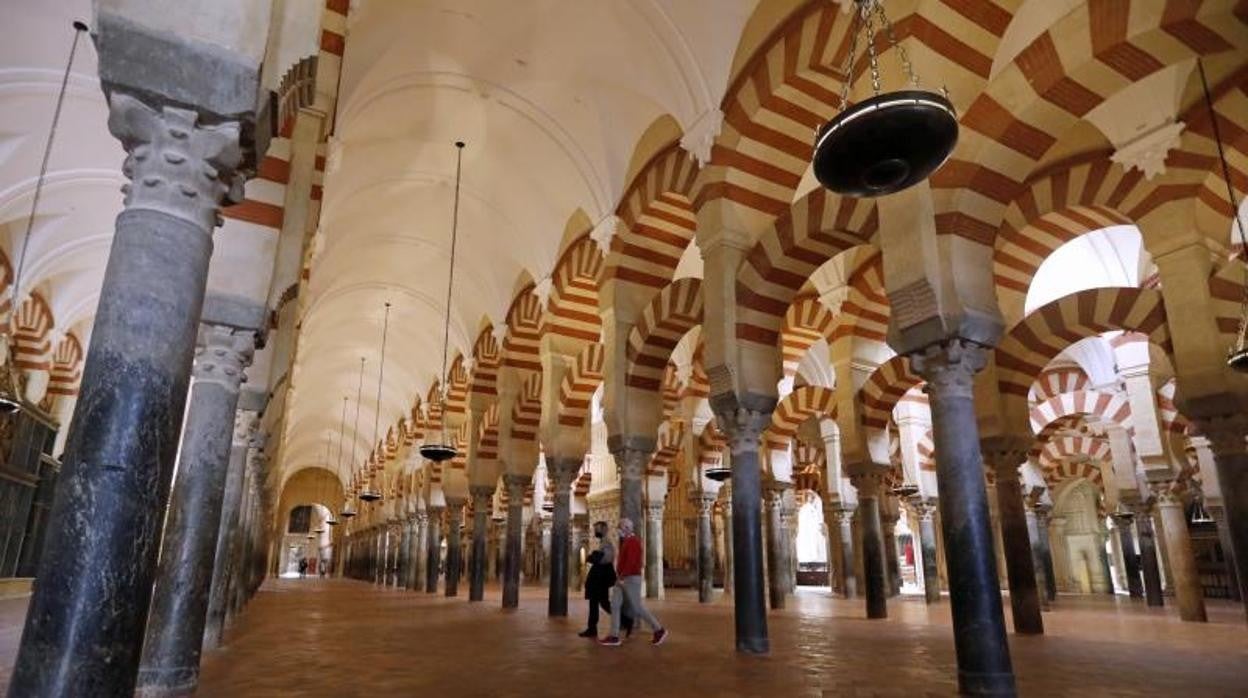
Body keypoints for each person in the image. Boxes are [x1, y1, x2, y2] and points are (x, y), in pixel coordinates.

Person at [599, 518, 667, 646]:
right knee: (614, 605)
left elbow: (631, 562)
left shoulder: (633, 542)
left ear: (626, 528)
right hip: (622, 579)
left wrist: (623, 576)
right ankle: (614, 636)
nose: (618, 531)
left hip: (630, 578)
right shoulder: (627, 541)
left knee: (637, 607)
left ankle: (659, 630)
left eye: (619, 528)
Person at [579, 521, 616, 638]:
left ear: (604, 529)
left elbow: (608, 558)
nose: (595, 532)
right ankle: (592, 628)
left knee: (603, 603)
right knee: (598, 603)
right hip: (599, 578)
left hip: (601, 578)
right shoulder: (603, 542)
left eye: (597, 529)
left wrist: (594, 557)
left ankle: (625, 620)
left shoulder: (607, 542)